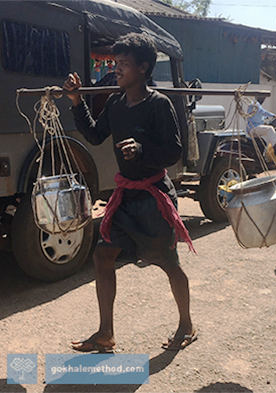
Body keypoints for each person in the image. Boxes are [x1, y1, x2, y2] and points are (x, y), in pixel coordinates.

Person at [63, 33, 197, 352]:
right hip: (125, 198)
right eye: (115, 63)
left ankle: (187, 324)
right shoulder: (115, 104)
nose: (117, 69)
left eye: (123, 64)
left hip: (153, 199)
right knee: (102, 255)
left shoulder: (159, 105)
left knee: (166, 261)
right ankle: (105, 333)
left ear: (143, 68)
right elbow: (95, 135)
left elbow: (173, 152)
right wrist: (76, 103)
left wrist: (142, 150)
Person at [247, 97, 276, 163]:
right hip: (253, 129)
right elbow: (263, 112)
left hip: (255, 128)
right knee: (270, 129)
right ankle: (275, 146)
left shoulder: (256, 106)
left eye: (264, 98)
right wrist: (275, 116)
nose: (263, 99)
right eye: (262, 97)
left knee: (264, 142)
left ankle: (263, 159)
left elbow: (260, 116)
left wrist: (266, 119)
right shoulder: (254, 104)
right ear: (257, 96)